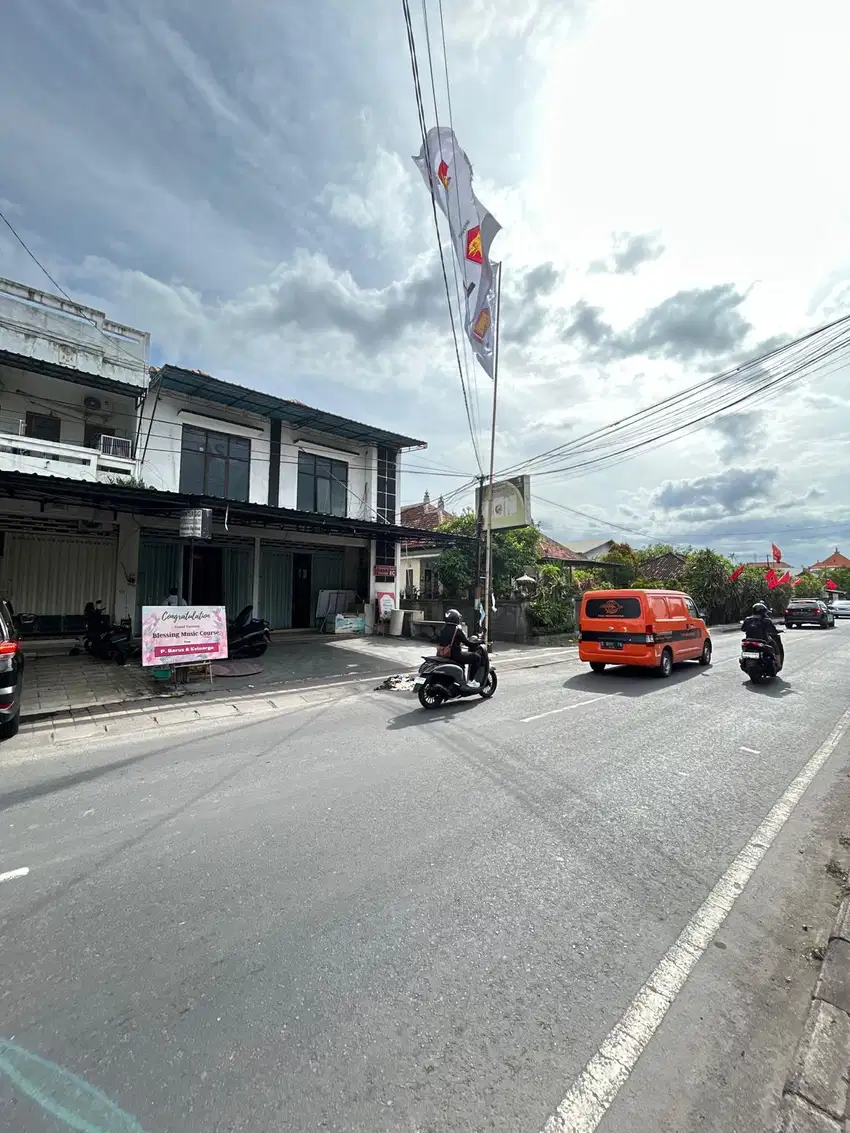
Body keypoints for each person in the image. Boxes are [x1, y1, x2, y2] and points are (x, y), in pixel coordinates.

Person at [435, 608, 479, 687]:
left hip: (442, 654)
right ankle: (471, 681)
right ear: (456, 619)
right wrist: (479, 642)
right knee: (476, 657)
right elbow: (468, 643)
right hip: (455, 656)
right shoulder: (457, 630)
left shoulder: (443, 629)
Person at [742, 601, 784, 669]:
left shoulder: (747, 619)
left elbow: (743, 629)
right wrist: (777, 631)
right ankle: (778, 664)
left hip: (749, 640)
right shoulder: (766, 620)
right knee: (776, 646)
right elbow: (773, 630)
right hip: (763, 640)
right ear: (763, 612)